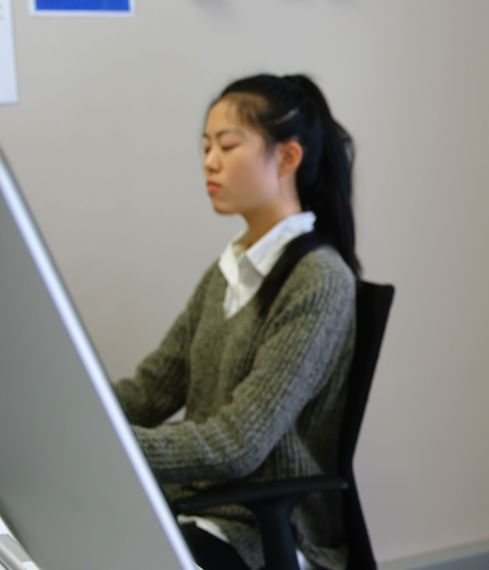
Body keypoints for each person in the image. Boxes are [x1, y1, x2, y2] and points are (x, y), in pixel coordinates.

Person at [112, 73, 360, 570]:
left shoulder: (318, 278)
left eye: (227, 145)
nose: (209, 161)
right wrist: (75, 414)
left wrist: (112, 445)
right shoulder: (228, 270)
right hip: (196, 509)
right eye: (205, 147)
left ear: (287, 157)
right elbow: (150, 390)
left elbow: (236, 445)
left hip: (264, 532)